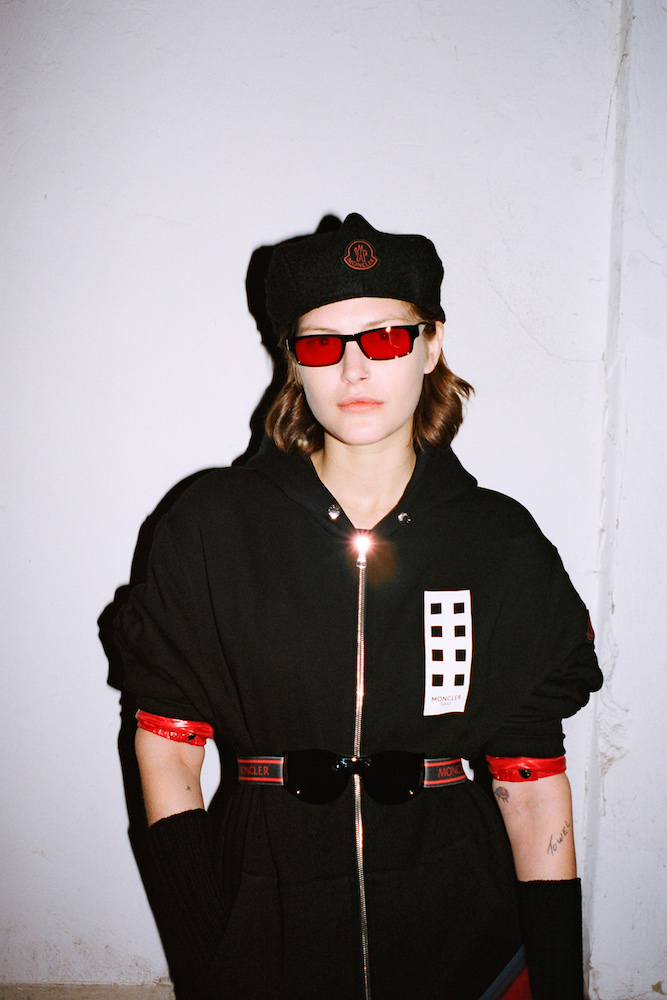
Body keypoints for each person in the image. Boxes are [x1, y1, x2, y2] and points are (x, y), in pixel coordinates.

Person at [115, 213, 603, 1000]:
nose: (353, 368)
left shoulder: (500, 543)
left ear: (430, 345)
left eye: (384, 337)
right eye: (321, 344)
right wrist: (207, 949)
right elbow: (166, 751)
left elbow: (531, 782)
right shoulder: (209, 527)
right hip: (267, 917)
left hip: (461, 929)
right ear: (292, 359)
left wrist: (555, 982)